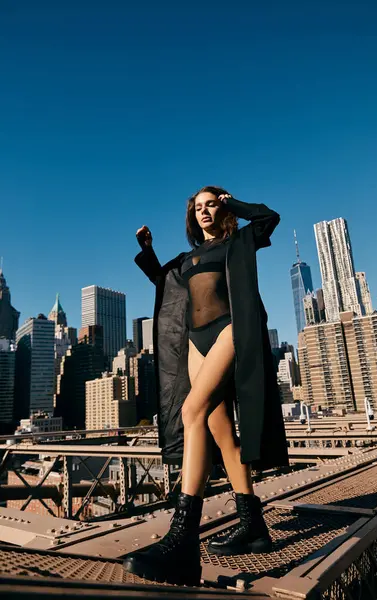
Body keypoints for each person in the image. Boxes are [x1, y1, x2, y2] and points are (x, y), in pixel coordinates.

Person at [123, 186, 288, 586]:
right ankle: (254, 526)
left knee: (190, 410)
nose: (204, 212)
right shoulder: (187, 258)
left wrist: (233, 203)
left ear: (223, 207)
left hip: (231, 329)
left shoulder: (242, 239)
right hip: (196, 340)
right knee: (219, 431)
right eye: (197, 208)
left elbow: (269, 218)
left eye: (211, 204)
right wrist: (147, 250)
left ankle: (183, 541)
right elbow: (163, 281)